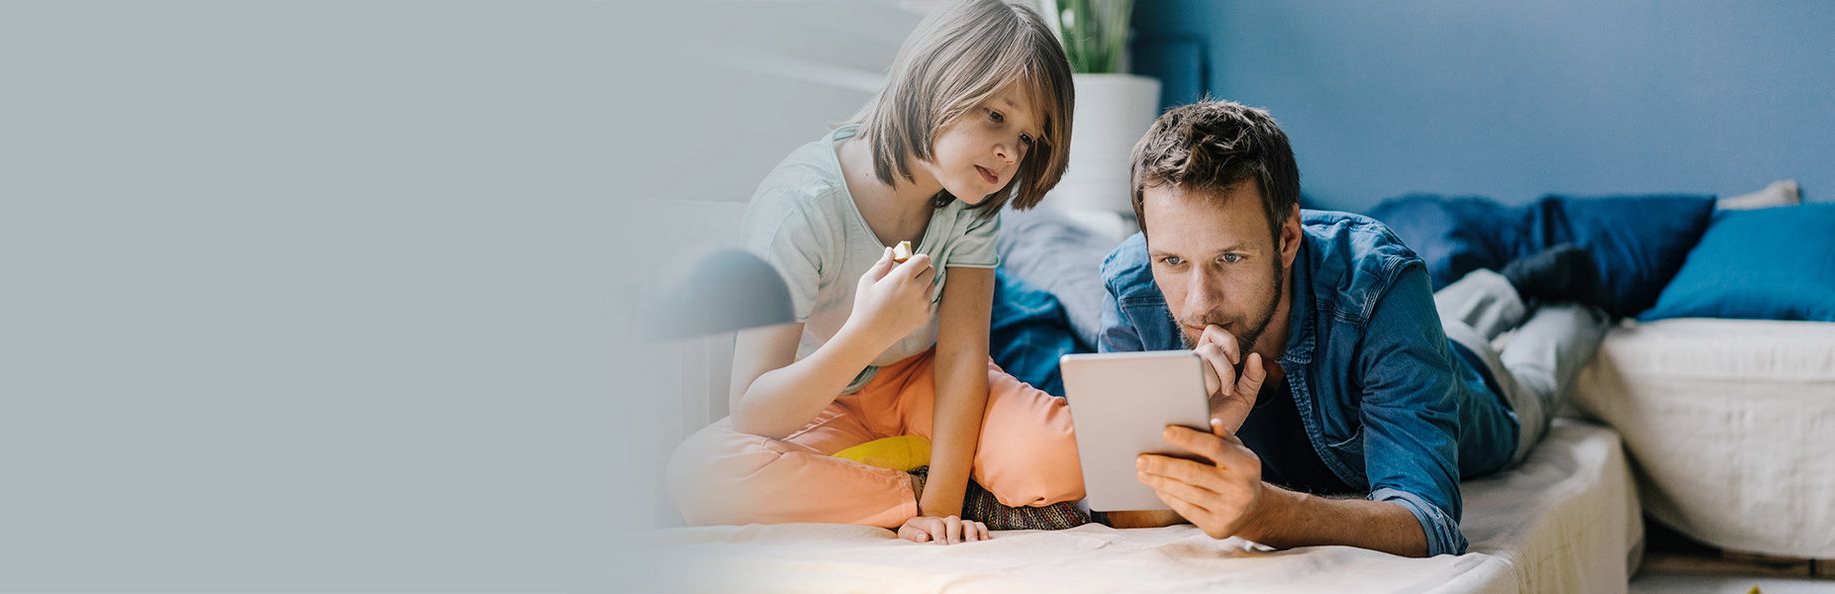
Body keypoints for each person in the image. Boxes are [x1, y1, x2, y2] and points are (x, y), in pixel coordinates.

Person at [1097, 99, 1609, 557]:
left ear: (1287, 237)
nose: (1199, 302)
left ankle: (1574, 306)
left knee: (1536, 374)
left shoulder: (1380, 283)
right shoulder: (1132, 289)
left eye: (1230, 258)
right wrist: (1192, 430)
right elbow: (1122, 508)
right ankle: (1509, 285)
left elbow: (1430, 522)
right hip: (1406, 335)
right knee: (1437, 320)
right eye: (1172, 260)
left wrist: (1265, 514)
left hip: (1475, 386)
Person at [665, 0, 1084, 545]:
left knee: (1072, 457)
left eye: (1028, 138)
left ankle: (934, 482)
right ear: (936, 79)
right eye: (997, 116)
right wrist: (868, 334)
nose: (1009, 152)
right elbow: (753, 410)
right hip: (827, 402)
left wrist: (943, 506)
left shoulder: (972, 203)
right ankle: (927, 492)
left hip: (925, 386)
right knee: (702, 476)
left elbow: (961, 358)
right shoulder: (800, 205)